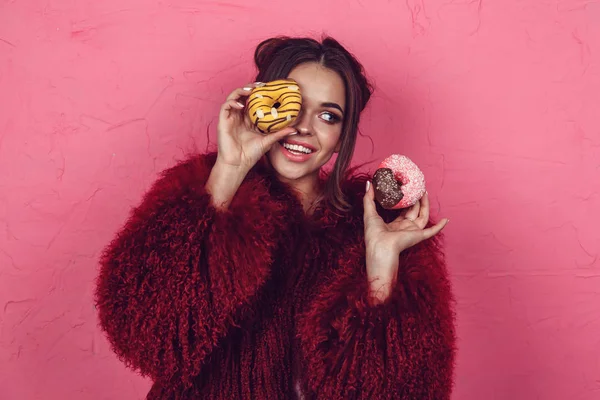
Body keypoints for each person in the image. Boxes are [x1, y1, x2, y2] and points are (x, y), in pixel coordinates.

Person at [94, 36, 456, 399]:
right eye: (292, 102)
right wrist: (229, 170)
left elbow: (401, 388)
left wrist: (380, 267)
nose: (303, 128)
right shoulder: (198, 195)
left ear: (342, 135)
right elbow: (145, 333)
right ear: (260, 104)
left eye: (329, 116)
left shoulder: (375, 226)